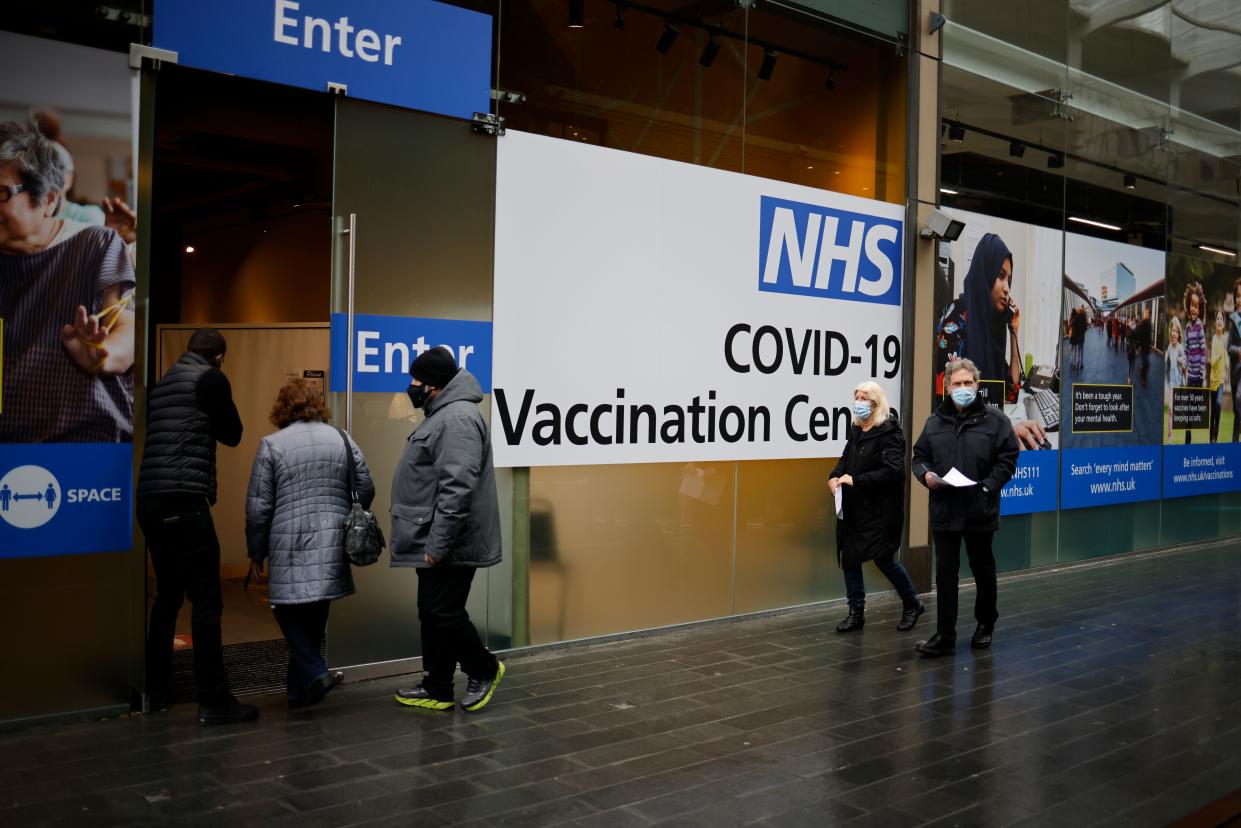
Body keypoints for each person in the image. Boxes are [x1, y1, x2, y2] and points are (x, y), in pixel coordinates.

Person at [136, 327, 256, 725]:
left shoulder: (163, 382)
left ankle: (156, 688)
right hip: (184, 500)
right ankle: (215, 700)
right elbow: (233, 434)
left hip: (150, 500)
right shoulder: (211, 379)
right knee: (207, 602)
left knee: (168, 594)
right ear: (219, 356)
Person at [0, 120, 134, 443]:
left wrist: (100, 354)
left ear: (47, 199)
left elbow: (126, 331)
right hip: (10, 449)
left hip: (86, 444)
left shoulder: (94, 245)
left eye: (1, 193)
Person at [246, 379, 374, 709]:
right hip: (332, 537)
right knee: (315, 611)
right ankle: (299, 693)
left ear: (282, 407)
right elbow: (366, 486)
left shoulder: (271, 444)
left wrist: (256, 550)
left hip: (289, 538)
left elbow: (259, 506)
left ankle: (316, 671)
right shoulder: (342, 439)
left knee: (285, 608)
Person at [392, 347, 505, 712]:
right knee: (432, 610)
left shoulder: (456, 418)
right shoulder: (442, 413)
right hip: (437, 536)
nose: (412, 386)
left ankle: (484, 668)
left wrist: (438, 544)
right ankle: (437, 686)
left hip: (452, 540)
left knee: (442, 611)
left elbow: (458, 488)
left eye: (416, 381)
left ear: (435, 384)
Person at [911, 358, 1018, 657]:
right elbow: (919, 458)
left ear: (977, 385)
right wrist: (927, 476)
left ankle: (985, 624)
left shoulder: (996, 421)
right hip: (945, 509)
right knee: (946, 574)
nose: (962, 388)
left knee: (983, 569)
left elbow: (1008, 457)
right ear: (946, 388)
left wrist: (988, 486)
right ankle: (945, 634)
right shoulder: (934, 422)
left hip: (979, 508)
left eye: (967, 383)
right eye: (956, 384)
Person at [933, 232, 1045, 450]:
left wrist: (1013, 333)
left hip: (987, 446)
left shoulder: (991, 326)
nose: (1006, 288)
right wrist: (1004, 431)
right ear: (984, 275)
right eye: (1000, 276)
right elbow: (949, 407)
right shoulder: (955, 322)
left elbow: (1010, 392)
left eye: (1009, 280)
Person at [828, 381, 924, 634]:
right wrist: (835, 476)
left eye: (864, 398)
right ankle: (855, 612)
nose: (859, 402)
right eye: (856, 396)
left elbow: (893, 472)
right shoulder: (857, 429)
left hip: (881, 511)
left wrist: (857, 480)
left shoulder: (890, 432)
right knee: (850, 557)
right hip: (855, 507)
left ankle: (912, 602)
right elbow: (845, 459)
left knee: (883, 559)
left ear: (875, 403)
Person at [1184, 283, 1207, 444]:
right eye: (1192, 306)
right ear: (1188, 306)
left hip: (1198, 374)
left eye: (1196, 307)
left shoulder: (1199, 326)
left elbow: (1203, 349)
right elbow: (1186, 348)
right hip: (1190, 374)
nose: (1194, 309)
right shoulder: (1186, 327)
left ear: (1199, 310)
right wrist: (1184, 362)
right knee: (1188, 408)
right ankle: (1187, 437)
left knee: (1194, 406)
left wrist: (1202, 369)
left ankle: (1192, 432)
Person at [1166, 316, 1186, 440]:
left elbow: (1184, 363)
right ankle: (1169, 436)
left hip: (1179, 383)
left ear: (1179, 334)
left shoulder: (1179, 347)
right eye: (1172, 331)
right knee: (1170, 409)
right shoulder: (1169, 347)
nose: (1174, 333)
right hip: (1171, 383)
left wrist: (1180, 360)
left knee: (1174, 409)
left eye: (1176, 331)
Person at [1210, 309, 1228, 443]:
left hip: (1221, 380)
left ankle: (1216, 435)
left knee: (1219, 404)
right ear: (1215, 323)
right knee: (1212, 412)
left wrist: (1227, 363)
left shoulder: (1225, 339)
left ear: (1224, 323)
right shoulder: (1214, 339)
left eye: (1221, 319)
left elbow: (1226, 357)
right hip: (1212, 380)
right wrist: (1218, 357)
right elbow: (1212, 361)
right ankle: (1211, 439)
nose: (1219, 320)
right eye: (1217, 319)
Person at [1228, 280, 1241, 442]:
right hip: (1235, 371)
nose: (1239, 299)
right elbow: (1229, 346)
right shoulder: (1232, 320)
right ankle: (1234, 443)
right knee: (1236, 410)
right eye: (1237, 296)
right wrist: (1237, 351)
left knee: (1239, 399)